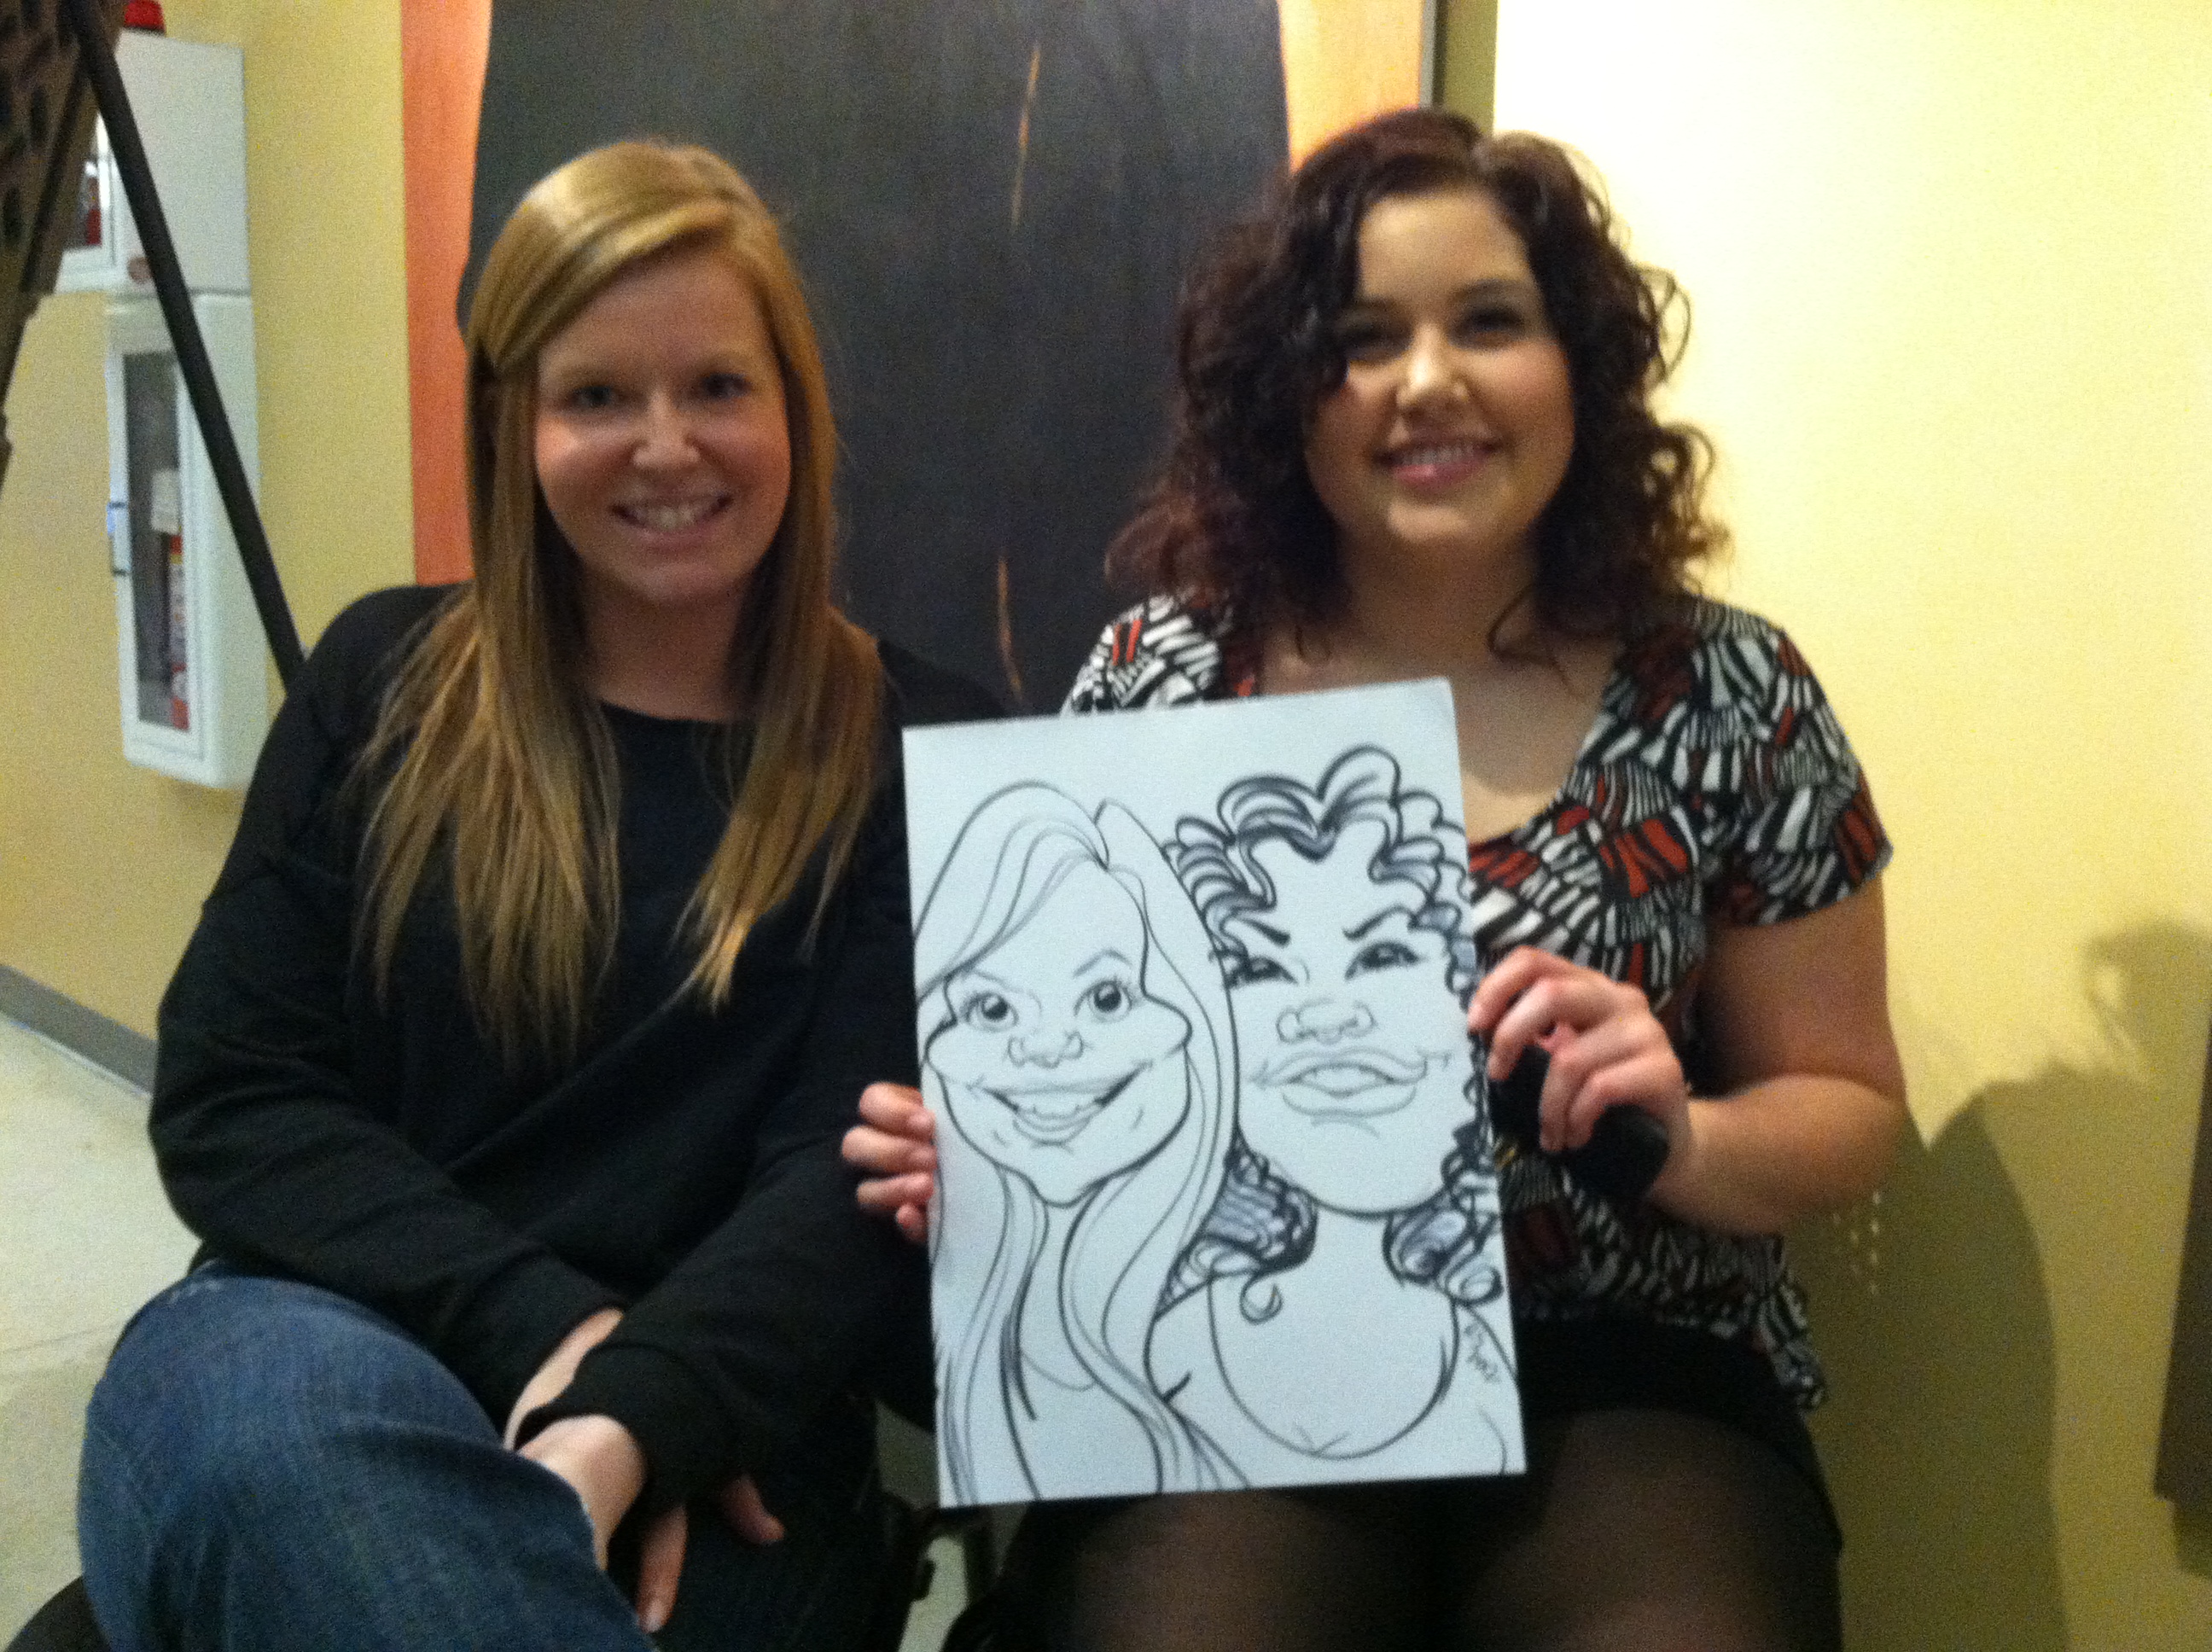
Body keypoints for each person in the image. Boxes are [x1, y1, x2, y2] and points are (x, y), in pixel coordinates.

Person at [846, 108, 1905, 1651]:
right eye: (1360, 340)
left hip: (1625, 1366)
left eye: (1490, 322)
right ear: (1287, 396)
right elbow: (1077, 1029)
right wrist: (1000, 1157)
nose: (1427, 382)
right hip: (1224, 1354)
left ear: (1580, 368)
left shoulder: (1728, 690)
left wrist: (1683, 1134)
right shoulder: (1160, 675)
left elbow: (1849, 1102)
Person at [76, 140, 994, 1652]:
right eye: (597, 396)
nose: (665, 447)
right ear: (513, 424)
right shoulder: (382, 683)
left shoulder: (924, 748)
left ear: (794, 410)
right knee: (288, 1471)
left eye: (716, 386)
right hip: (312, 1342)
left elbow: (846, 1173)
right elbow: (239, 1093)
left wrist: (635, 1417)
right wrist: (560, 1336)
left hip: (732, 1417)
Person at [1148, 748, 1516, 1486]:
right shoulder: (1172, 1352)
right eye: (1259, 970)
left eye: (1382, 956)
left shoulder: (1478, 1369)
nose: (1325, 1014)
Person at [917, 787, 1236, 1503]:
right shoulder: (977, 1320)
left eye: (1109, 997)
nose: (1049, 1046)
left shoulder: (1244, 1298)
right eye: (990, 1008)